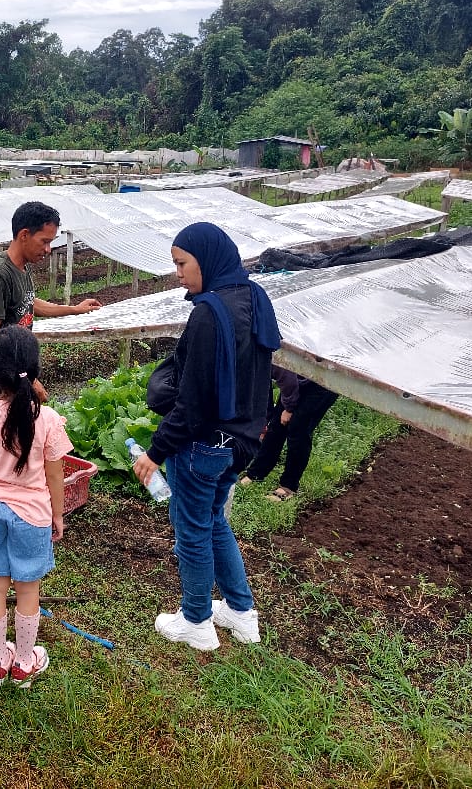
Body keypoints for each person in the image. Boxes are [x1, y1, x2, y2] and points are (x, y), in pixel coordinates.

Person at [130, 222, 281, 652]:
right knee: (214, 521)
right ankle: (240, 612)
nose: (178, 273)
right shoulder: (254, 297)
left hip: (203, 445)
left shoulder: (209, 313)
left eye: (182, 264)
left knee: (192, 529)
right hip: (242, 442)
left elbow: (193, 403)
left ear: (206, 260)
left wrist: (155, 452)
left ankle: (196, 620)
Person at [0, 200, 101, 498]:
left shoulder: (21, 270)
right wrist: (28, 378)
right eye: (45, 241)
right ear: (24, 234)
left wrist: (73, 309)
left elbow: (30, 304)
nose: (48, 249)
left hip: (12, 375)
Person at [0, 325, 73, 687]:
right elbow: (55, 477)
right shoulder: (47, 420)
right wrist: (57, 514)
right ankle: (25, 663)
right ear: (35, 369)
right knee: (28, 588)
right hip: (32, 516)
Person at [240, 366, 338, 499]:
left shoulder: (275, 358)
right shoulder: (252, 363)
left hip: (327, 379)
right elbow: (264, 392)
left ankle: (288, 485)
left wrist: (289, 409)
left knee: (298, 429)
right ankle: (256, 473)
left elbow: (286, 380)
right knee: (276, 424)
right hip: (301, 374)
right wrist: (267, 419)